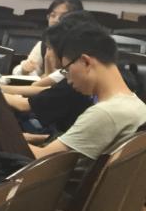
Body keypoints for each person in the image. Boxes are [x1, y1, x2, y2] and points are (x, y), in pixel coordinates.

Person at [28, 24, 146, 160]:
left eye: (67, 70)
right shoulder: (137, 104)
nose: (68, 81)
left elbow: (41, 158)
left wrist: (9, 138)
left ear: (86, 62)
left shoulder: (104, 113)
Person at [13, 0, 83, 76]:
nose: (56, 20)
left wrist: (48, 76)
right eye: (53, 15)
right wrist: (24, 70)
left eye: (63, 16)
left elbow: (67, 73)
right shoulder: (44, 45)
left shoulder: (82, 46)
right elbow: (24, 70)